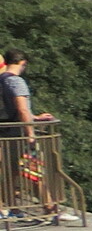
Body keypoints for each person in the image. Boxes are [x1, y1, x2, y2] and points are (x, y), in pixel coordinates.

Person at [0, 52, 57, 218]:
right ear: (22, 63)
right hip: (18, 135)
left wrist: (35, 117)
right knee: (33, 171)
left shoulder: (1, 80)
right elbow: (22, 109)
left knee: (11, 171)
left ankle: (11, 207)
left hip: (5, 133)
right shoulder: (15, 81)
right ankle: (50, 209)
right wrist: (30, 133)